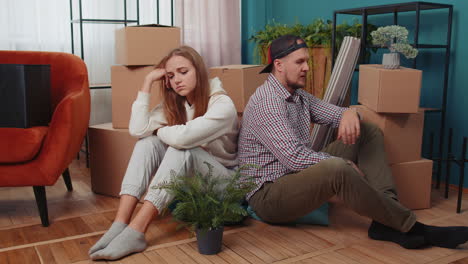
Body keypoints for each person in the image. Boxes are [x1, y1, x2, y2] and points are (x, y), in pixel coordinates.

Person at [238, 34, 468, 249]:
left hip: (294, 177)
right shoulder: (267, 103)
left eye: (307, 61)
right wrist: (344, 165)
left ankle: (385, 220)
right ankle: (410, 225)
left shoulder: (298, 96)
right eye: (299, 62)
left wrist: (349, 113)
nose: (307, 68)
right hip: (268, 195)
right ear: (278, 65)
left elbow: (336, 114)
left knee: (367, 130)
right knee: (337, 168)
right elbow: (295, 157)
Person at [89, 46, 239, 260]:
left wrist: (160, 129)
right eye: (170, 76)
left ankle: (137, 231)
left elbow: (182, 139)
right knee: (146, 143)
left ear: (199, 70)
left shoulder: (222, 105)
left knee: (180, 149)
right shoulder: (178, 104)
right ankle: (120, 223)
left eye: (183, 72)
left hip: (225, 186)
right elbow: (138, 130)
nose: (177, 80)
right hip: (197, 184)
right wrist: (148, 81)